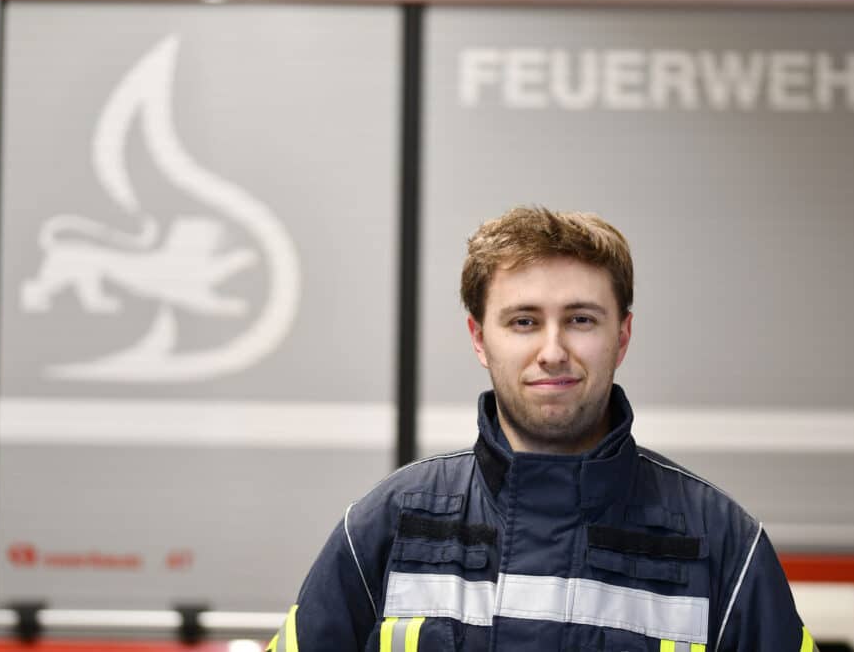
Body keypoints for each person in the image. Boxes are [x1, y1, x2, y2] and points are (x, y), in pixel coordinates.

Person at [266, 206, 817, 652]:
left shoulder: (719, 542)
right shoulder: (393, 522)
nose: (552, 352)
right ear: (480, 338)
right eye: (524, 321)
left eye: (581, 319)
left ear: (621, 337)